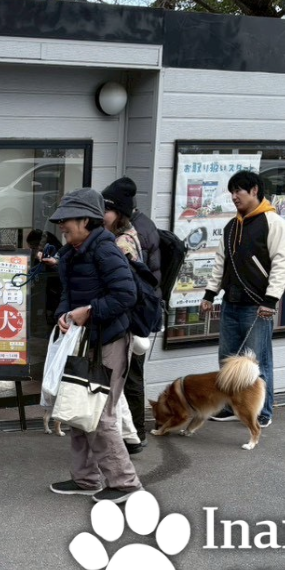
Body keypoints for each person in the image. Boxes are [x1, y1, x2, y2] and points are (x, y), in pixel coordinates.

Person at [47, 188, 143, 504]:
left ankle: (126, 484)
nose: (62, 226)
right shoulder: (72, 253)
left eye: (67, 220)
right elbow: (68, 294)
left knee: (100, 413)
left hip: (110, 340)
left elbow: (126, 296)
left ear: (86, 220)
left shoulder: (105, 250)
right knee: (76, 409)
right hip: (84, 340)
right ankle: (86, 479)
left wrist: (87, 312)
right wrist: (65, 314)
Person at [200, 170, 285, 428]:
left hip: (258, 306)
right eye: (231, 191)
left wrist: (271, 299)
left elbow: (283, 263)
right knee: (228, 360)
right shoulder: (232, 226)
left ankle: (262, 411)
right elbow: (221, 262)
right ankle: (231, 405)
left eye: (238, 191)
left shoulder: (273, 223)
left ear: (254, 190)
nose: (234, 196)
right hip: (231, 303)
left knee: (257, 362)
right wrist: (210, 294)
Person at [101, 177, 158, 453]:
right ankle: (132, 434)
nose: (102, 215)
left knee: (131, 376)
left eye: (106, 210)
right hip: (133, 317)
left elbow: (126, 288)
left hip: (131, 318)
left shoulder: (123, 242)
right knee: (129, 375)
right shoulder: (135, 231)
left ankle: (135, 437)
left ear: (119, 213)